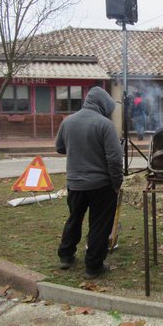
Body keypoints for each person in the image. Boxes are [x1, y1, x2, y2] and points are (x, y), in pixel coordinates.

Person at [55, 86, 124, 279]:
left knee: (74, 218)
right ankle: (93, 266)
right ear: (102, 104)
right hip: (101, 185)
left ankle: (66, 256)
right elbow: (115, 158)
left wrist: (78, 149)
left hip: (75, 183)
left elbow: (59, 147)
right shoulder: (104, 125)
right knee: (99, 225)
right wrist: (116, 182)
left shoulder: (68, 122)